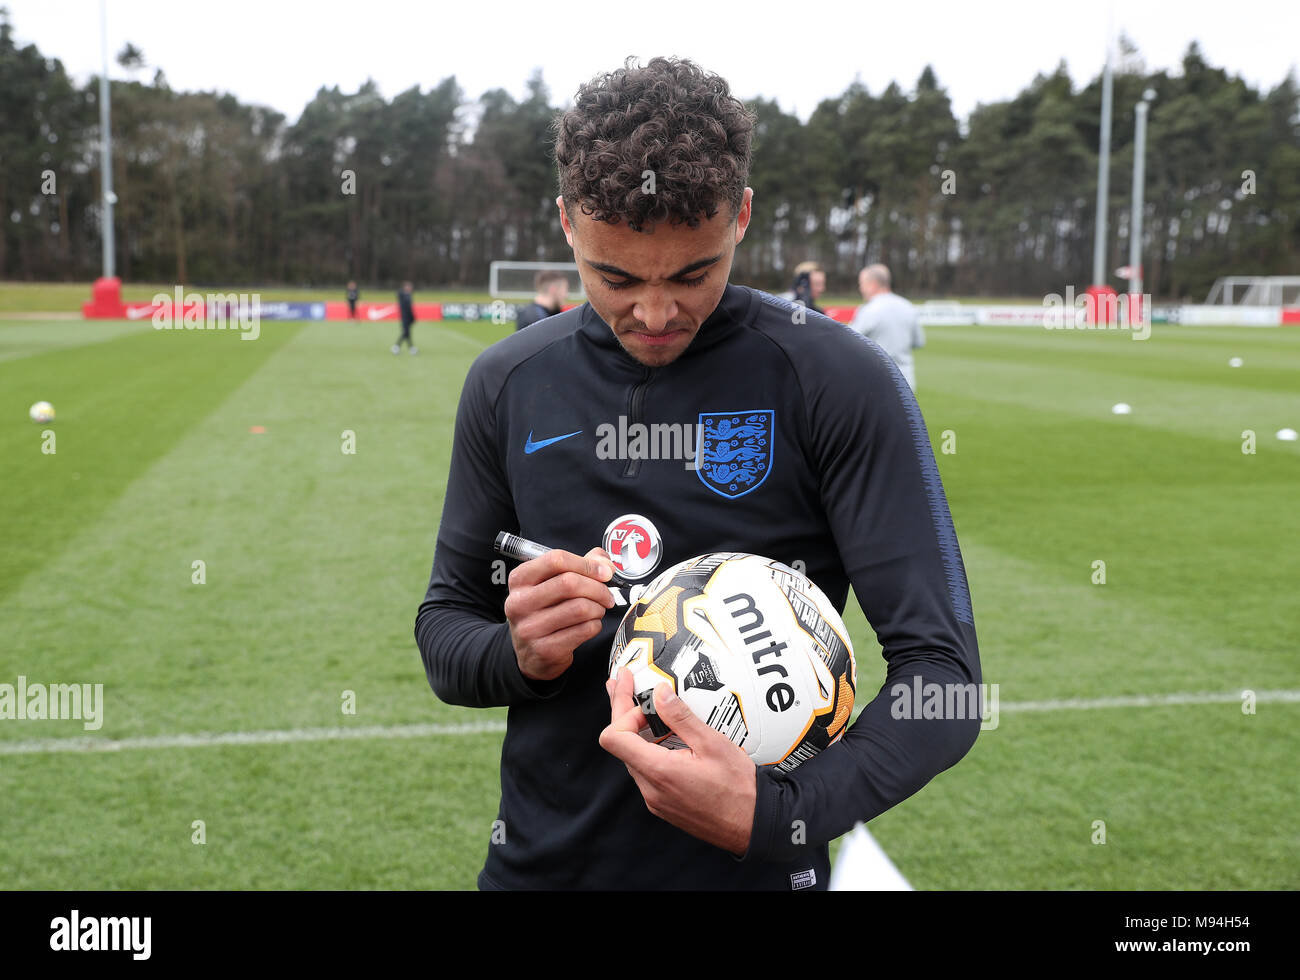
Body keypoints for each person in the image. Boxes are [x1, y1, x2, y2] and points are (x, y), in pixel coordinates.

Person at [415, 56, 979, 891]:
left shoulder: (837, 380)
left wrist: (779, 811)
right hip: (539, 872)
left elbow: (945, 679)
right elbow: (445, 629)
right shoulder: (508, 383)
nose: (653, 313)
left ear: (742, 216)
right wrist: (519, 654)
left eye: (692, 274)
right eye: (615, 278)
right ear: (567, 223)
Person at [850, 264, 924, 390]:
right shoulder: (907, 306)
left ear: (872, 284)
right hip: (906, 381)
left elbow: (849, 340)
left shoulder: (868, 310)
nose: (860, 288)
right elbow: (919, 342)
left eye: (861, 284)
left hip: (876, 381)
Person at [392, 281, 417, 355]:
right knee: (406, 333)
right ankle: (397, 347)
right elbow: (399, 294)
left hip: (408, 317)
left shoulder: (409, 295)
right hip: (404, 317)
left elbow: (410, 309)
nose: (410, 288)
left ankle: (410, 348)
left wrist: (412, 318)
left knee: (407, 333)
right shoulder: (403, 295)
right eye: (408, 287)